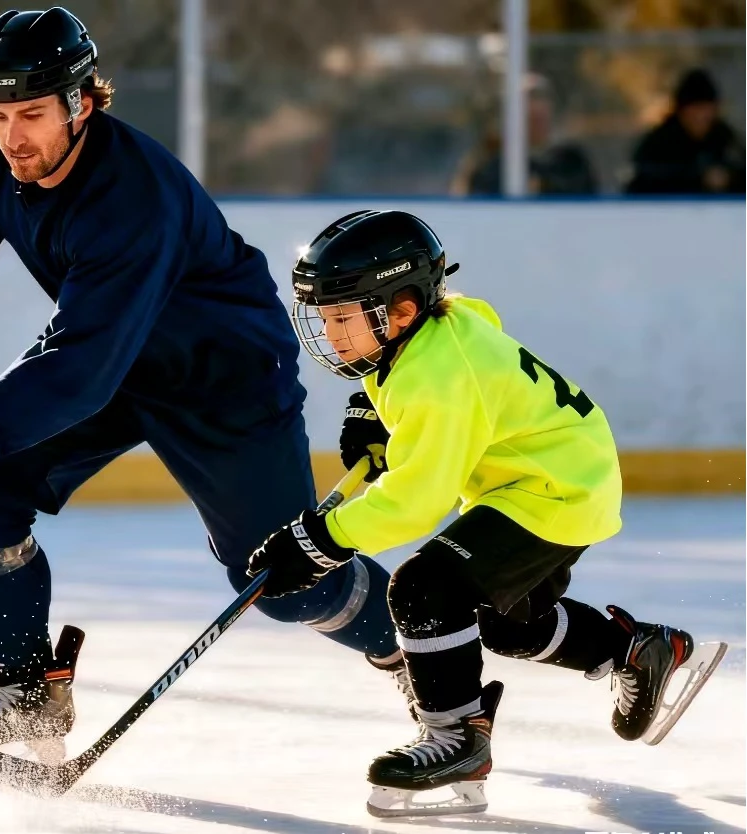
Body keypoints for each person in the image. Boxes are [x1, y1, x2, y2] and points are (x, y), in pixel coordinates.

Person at [0, 8, 402, 769]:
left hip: (219, 377)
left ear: (82, 103)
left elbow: (79, 370)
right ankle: (24, 693)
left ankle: (417, 652)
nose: (12, 137)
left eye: (32, 114)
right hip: (106, 359)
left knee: (285, 583)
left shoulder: (132, 197)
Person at [247, 209, 726, 817]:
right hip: (547, 475)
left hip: (555, 488)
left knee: (424, 587)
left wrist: (320, 542)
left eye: (343, 316)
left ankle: (456, 738)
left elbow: (419, 500)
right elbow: (476, 323)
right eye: (324, 317)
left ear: (402, 310)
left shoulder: (439, 373)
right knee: (503, 623)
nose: (331, 332)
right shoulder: (431, 332)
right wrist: (379, 419)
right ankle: (633, 649)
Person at [453, 73, 597, 196]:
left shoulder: (571, 162)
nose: (538, 108)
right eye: (531, 120)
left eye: (541, 119)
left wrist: (545, 187)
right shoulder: (489, 164)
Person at [626, 67, 745, 195]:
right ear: (681, 111)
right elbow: (643, 178)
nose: (700, 117)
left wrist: (729, 177)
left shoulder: (725, 138)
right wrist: (697, 178)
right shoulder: (660, 142)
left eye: (706, 110)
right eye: (695, 111)